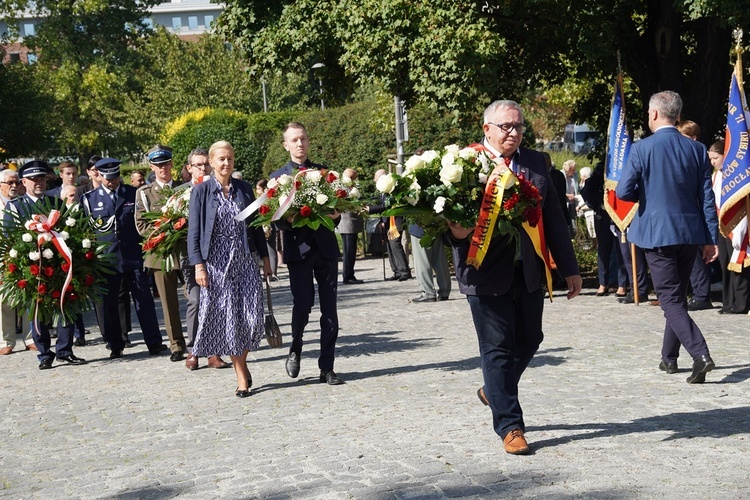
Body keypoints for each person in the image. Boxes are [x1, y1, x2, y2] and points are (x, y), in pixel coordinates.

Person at [447, 100, 581, 455]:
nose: (513, 133)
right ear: (486, 127)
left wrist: (569, 268)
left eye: (519, 127)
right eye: (506, 126)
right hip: (483, 271)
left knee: (531, 337)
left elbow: (553, 218)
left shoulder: (538, 162)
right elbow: (436, 217)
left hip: (529, 268)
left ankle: (494, 390)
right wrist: (456, 234)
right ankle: (510, 426)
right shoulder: (463, 163)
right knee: (497, 349)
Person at [616, 90, 719, 384]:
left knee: (670, 300)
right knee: (677, 297)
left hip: (657, 233)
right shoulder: (697, 149)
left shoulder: (641, 149)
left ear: (654, 114)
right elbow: (707, 198)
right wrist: (710, 237)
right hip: (690, 232)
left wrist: (647, 195)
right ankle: (669, 358)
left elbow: (623, 192)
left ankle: (700, 354)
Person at [187, 141, 271, 397]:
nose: (226, 163)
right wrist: (198, 266)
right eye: (221, 159)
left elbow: (255, 226)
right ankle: (241, 377)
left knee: (253, 318)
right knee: (231, 320)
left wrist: (266, 258)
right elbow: (193, 233)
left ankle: (241, 364)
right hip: (216, 265)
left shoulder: (244, 189)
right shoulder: (201, 192)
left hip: (245, 261)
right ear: (211, 162)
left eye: (230, 159)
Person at [271, 122, 344, 385]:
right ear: (286, 145)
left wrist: (336, 215)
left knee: (330, 310)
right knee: (303, 306)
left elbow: (334, 212)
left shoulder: (324, 173)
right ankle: (296, 347)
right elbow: (275, 219)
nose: (300, 144)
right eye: (294, 140)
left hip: (324, 249)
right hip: (298, 251)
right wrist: (288, 219)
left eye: (303, 139)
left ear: (308, 141)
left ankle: (327, 366)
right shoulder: (279, 178)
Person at [81, 158, 168, 359]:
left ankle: (154, 342)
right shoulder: (89, 199)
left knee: (144, 301)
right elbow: (87, 232)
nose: (112, 182)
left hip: (133, 256)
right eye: (108, 178)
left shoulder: (133, 193)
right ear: (99, 176)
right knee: (109, 303)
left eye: (115, 177)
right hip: (107, 260)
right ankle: (115, 344)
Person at [3, 161, 85, 369]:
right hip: (32, 267)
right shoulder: (16, 206)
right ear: (24, 182)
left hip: (58, 264)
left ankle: (65, 350)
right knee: (37, 310)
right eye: (33, 179)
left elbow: (68, 230)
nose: (38, 182)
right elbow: (9, 237)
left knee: (66, 305)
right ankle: (44, 353)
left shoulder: (55, 203)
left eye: (41, 178)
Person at [135, 145, 188, 362]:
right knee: (168, 303)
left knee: (196, 297)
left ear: (172, 164)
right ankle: (176, 345)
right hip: (161, 253)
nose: (162, 168)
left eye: (165, 163)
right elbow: (141, 225)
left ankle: (202, 338)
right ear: (151, 167)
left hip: (185, 250)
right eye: (158, 165)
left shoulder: (184, 189)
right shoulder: (144, 193)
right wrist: (165, 232)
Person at [179, 148, 230, 371]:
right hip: (191, 255)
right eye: (197, 165)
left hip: (216, 256)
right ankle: (194, 349)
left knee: (215, 303)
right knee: (197, 301)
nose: (202, 168)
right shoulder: (181, 193)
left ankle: (214, 352)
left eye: (205, 164)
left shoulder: (216, 189)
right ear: (189, 168)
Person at [676, 121, 714, 311]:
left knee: (698, 261)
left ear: (694, 138)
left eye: (684, 137)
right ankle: (695, 292)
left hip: (696, 216)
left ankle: (702, 295)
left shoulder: (698, 156)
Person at [711, 140, 750, 314]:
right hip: (722, 223)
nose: (713, 162)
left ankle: (741, 303)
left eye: (716, 158)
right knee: (725, 263)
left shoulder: (736, 174)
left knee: (738, 262)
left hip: (738, 223)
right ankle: (728, 302)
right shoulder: (715, 175)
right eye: (711, 159)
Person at [580, 162, 628, 297]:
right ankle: (603, 283)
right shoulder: (597, 176)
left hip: (619, 214)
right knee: (603, 251)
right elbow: (588, 193)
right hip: (603, 214)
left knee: (621, 249)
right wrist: (598, 203)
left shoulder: (621, 172)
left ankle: (622, 284)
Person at [0, 169, 34, 354]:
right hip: (1, 259)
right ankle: (6, 342)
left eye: (17, 183)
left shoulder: (23, 204)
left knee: (28, 298)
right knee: (4, 301)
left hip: (23, 256)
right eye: (10, 183)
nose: (14, 186)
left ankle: (30, 338)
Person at [368, 169, 412, 281]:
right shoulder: (383, 191)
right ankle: (396, 270)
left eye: (376, 177)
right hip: (388, 221)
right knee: (389, 245)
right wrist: (383, 220)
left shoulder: (390, 190)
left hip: (396, 220)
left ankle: (404, 271)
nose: (374, 180)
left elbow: (386, 206)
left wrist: (370, 209)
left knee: (395, 243)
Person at [409, 223, 451, 302]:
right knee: (439, 259)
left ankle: (428, 292)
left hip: (419, 226)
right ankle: (444, 291)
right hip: (436, 224)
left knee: (422, 260)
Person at [339, 168, 365, 285]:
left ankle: (349, 274)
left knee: (351, 250)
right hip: (347, 223)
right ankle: (348, 275)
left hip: (350, 224)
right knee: (349, 251)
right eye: (354, 178)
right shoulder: (344, 188)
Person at [254, 178, 280, 282]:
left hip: (269, 225)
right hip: (260, 225)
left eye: (259, 189)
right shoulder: (257, 199)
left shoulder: (269, 198)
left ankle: (272, 272)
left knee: (271, 249)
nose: (257, 191)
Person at [562, 159, 578, 236]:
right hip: (565, 202)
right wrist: (567, 195)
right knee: (565, 221)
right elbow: (558, 190)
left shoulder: (575, 175)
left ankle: (573, 237)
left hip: (573, 202)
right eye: (572, 169)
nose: (574, 171)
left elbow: (577, 188)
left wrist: (575, 195)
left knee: (573, 221)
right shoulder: (561, 174)